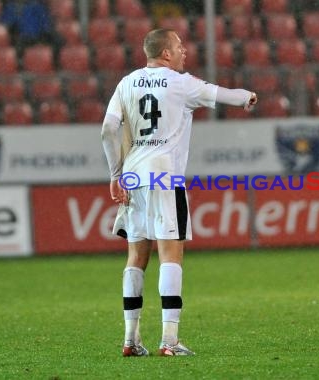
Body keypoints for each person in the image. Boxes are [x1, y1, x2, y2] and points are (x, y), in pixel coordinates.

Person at [101, 29, 257, 357]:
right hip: (165, 178)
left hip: (133, 176)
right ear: (166, 54)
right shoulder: (180, 82)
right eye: (179, 46)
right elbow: (221, 95)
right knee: (171, 256)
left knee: (136, 257)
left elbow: (108, 129)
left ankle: (131, 340)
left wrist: (116, 173)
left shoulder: (126, 83)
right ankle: (169, 342)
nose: (184, 51)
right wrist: (246, 96)